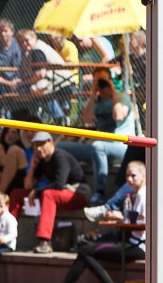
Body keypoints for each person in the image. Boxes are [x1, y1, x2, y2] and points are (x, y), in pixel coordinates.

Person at [34, 160, 146, 283]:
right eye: (127, 176)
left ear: (143, 176)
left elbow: (143, 226)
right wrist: (119, 219)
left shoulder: (143, 196)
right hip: (130, 242)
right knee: (85, 248)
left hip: (137, 246)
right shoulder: (136, 195)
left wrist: (121, 218)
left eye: (133, 176)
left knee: (85, 251)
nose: (129, 179)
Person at [56, 67, 134, 204]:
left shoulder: (122, 96)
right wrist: (93, 93)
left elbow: (118, 116)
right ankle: (66, 185)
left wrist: (112, 91)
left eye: (103, 79)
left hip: (121, 147)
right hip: (99, 149)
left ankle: (99, 192)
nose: (101, 83)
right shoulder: (96, 100)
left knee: (98, 146)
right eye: (98, 80)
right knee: (61, 146)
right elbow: (86, 119)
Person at [8, 132, 92, 254]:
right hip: (59, 194)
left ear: (51, 143)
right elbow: (28, 186)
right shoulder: (41, 160)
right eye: (35, 145)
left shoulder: (60, 156)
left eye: (41, 144)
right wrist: (32, 167)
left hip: (78, 193)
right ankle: (6, 235)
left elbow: (58, 184)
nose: (38, 149)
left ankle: (45, 242)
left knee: (48, 194)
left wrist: (36, 192)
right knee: (16, 194)